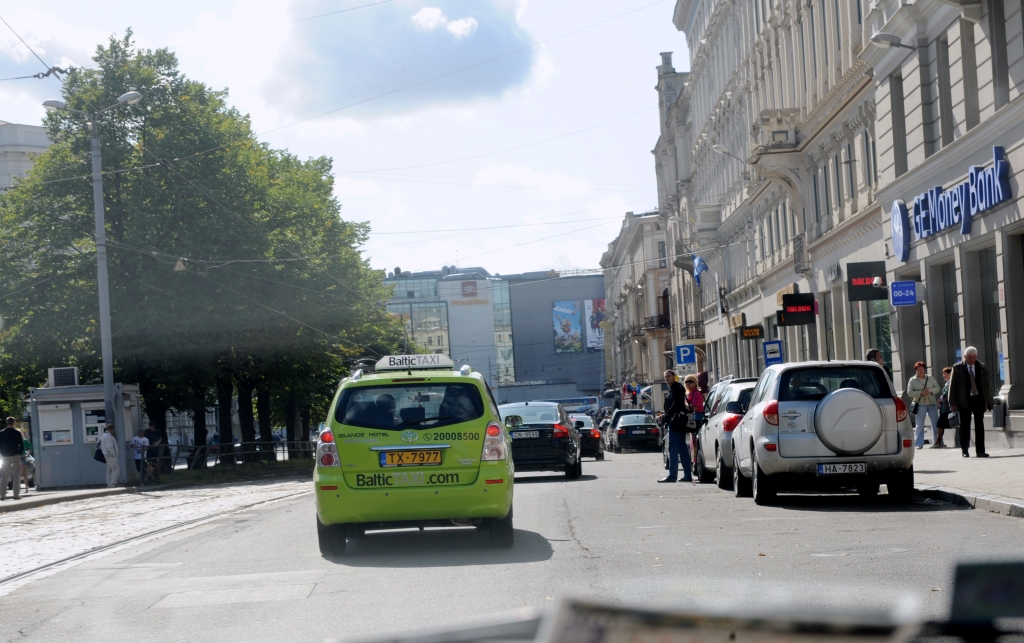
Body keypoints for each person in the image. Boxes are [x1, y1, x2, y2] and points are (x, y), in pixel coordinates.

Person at [948, 346, 993, 458]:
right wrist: (952, 403)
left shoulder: (982, 367)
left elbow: (987, 386)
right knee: (965, 427)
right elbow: (953, 386)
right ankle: (965, 450)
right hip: (964, 400)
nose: (972, 360)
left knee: (980, 427)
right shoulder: (957, 368)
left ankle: (980, 451)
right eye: (969, 357)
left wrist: (989, 403)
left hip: (978, 399)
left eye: (974, 357)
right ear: (965, 357)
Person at [659, 370, 693, 483]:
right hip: (676, 421)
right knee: (682, 448)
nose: (667, 378)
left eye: (669, 376)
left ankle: (672, 475)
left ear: (674, 376)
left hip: (676, 422)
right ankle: (687, 475)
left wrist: (667, 414)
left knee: (672, 448)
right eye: (665, 377)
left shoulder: (677, 388)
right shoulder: (673, 388)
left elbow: (676, 404)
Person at [907, 362, 941, 449]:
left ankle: (938, 442)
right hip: (920, 404)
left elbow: (937, 388)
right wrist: (920, 393)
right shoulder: (912, 380)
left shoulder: (930, 378)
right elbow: (909, 392)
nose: (921, 371)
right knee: (919, 424)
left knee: (935, 423)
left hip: (932, 403)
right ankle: (919, 444)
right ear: (916, 370)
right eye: (919, 369)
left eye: (922, 369)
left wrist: (930, 391)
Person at [683, 374, 705, 470]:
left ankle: (696, 463)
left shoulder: (696, 393)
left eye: (690, 381)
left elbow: (694, 408)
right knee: (692, 441)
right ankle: (694, 462)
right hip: (692, 419)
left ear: (695, 383)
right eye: (686, 382)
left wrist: (683, 405)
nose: (688, 383)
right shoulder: (689, 394)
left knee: (695, 442)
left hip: (696, 419)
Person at [0, 417, 25, 500]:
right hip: (15, 455)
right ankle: (16, 495)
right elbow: (21, 444)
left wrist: (2, 453)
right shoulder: (17, 433)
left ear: (6, 422)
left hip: (5, 456)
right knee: (16, 476)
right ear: (14, 423)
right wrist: (20, 453)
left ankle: (2, 495)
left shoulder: (1, 433)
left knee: (4, 476)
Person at [934, 366, 953, 448]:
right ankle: (938, 442)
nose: (943, 376)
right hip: (944, 408)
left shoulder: (951, 383)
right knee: (941, 424)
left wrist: (941, 399)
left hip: (948, 408)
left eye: (945, 374)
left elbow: (947, 394)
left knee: (940, 423)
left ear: (950, 374)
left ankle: (938, 442)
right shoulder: (947, 383)